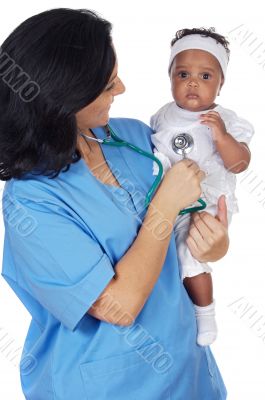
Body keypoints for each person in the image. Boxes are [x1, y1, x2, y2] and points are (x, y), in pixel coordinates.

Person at [0, 9, 229, 399]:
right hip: (105, 386)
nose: (121, 89)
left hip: (188, 373)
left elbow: (190, 235)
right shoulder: (31, 201)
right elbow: (117, 307)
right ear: (63, 96)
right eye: (107, 85)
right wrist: (164, 206)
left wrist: (214, 243)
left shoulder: (137, 137)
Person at [150, 27, 254, 346]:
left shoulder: (225, 119)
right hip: (171, 201)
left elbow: (239, 163)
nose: (193, 82)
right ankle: (173, 309)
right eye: (183, 73)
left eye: (206, 76)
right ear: (170, 78)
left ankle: (204, 312)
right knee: (163, 253)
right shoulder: (160, 118)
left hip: (209, 204)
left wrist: (222, 137)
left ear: (221, 85)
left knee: (191, 251)